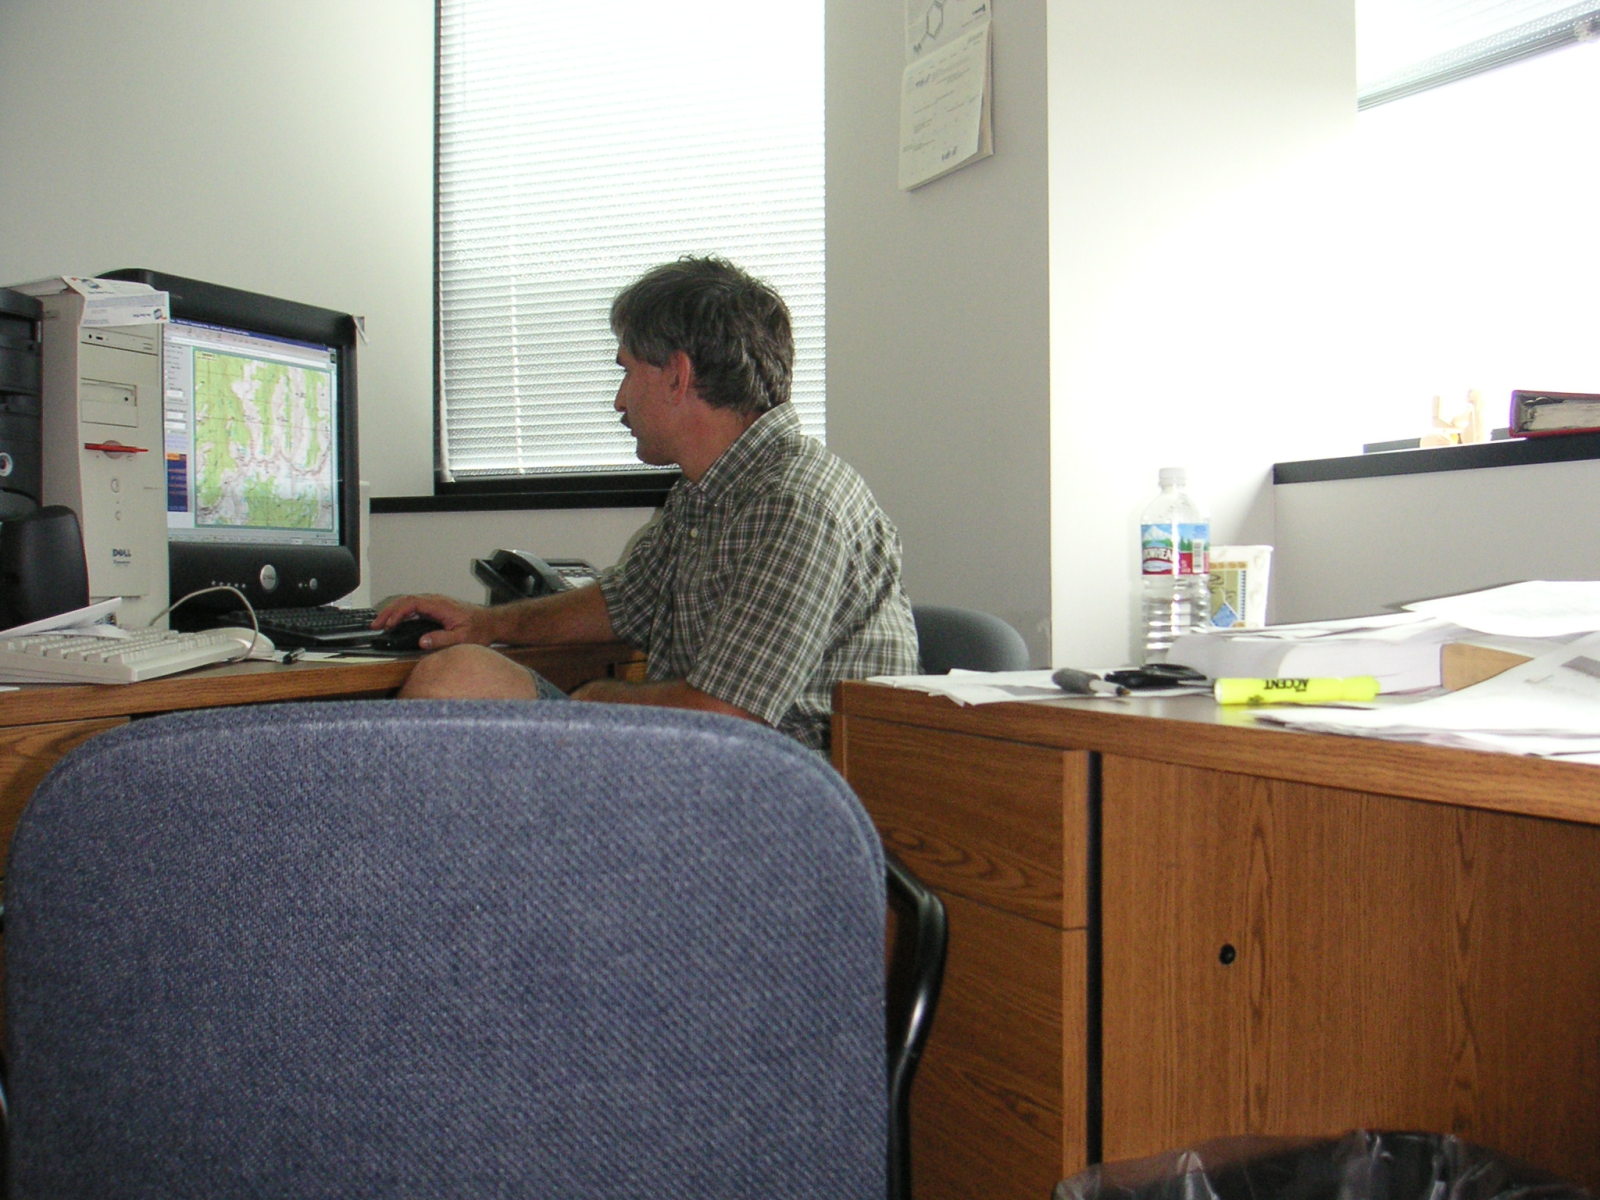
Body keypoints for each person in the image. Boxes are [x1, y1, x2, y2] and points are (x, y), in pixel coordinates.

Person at [373, 255, 918, 751]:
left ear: (677, 376)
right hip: (714, 760)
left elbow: (727, 718)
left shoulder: (792, 501)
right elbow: (621, 602)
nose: (619, 399)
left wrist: (592, 699)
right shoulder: (706, 493)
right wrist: (485, 624)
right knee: (463, 675)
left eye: (626, 371)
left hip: (780, 792)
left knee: (456, 685)